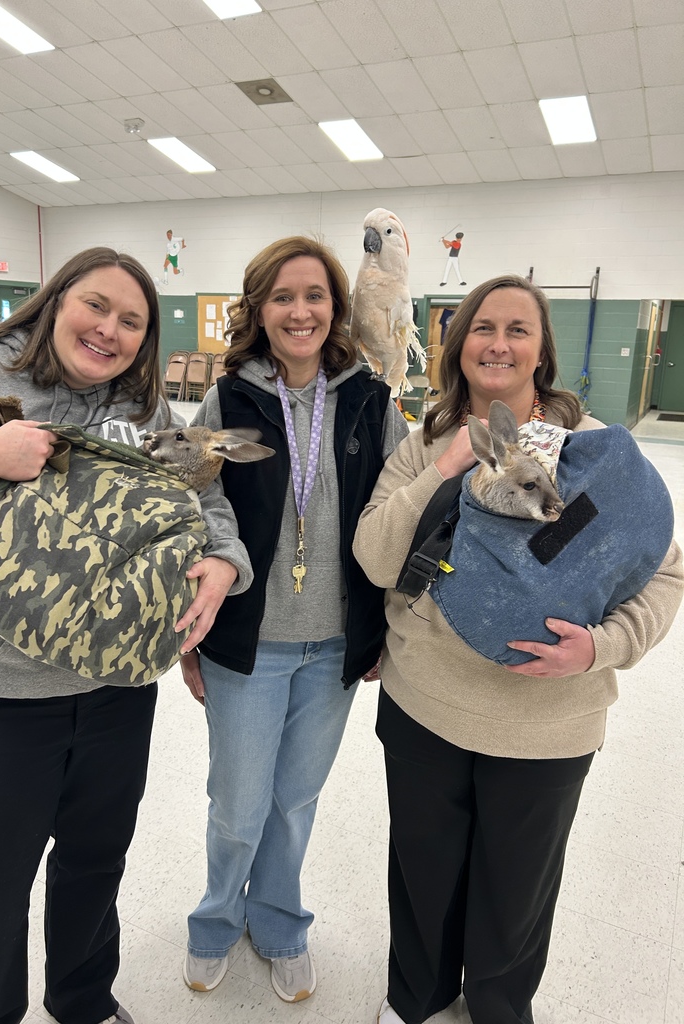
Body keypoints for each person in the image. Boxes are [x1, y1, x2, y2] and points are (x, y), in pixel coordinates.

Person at [0, 247, 250, 1024]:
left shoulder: (141, 411)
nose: (109, 330)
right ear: (55, 300)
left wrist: (222, 562)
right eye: (95, 306)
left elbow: (203, 492)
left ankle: (83, 998)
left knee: (95, 863)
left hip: (112, 684)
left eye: (132, 321)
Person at [352, 274, 684, 1024]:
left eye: (518, 329)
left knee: (517, 888)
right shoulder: (425, 445)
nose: (498, 343)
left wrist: (599, 649)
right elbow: (375, 559)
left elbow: (662, 573)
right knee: (424, 872)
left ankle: (499, 1009)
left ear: (542, 351)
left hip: (546, 724)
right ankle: (418, 999)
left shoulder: (592, 455)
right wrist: (443, 470)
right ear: (457, 345)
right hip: (425, 706)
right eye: (482, 327)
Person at [179, 236, 409, 1002]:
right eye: (283, 296)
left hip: (335, 643)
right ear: (260, 310)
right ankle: (214, 922)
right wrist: (191, 626)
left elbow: (397, 512)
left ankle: (279, 924)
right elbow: (198, 507)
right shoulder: (230, 398)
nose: (300, 310)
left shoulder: (371, 401)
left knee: (293, 803)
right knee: (239, 806)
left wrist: (382, 627)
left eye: (314, 295)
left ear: (335, 308)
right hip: (247, 641)